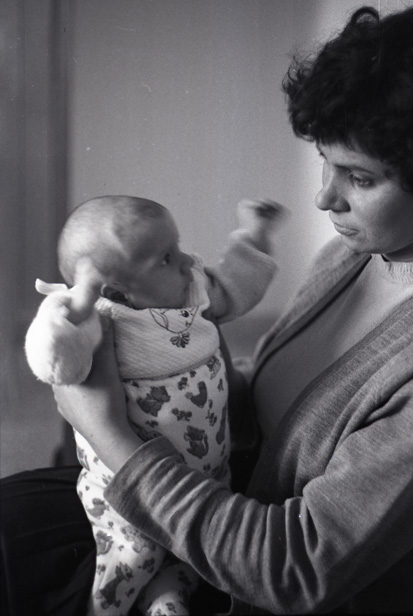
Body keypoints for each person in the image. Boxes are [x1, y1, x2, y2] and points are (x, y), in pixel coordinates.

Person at [52, 5, 413, 614]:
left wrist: (108, 430)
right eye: (326, 160)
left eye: (359, 178)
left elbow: (292, 570)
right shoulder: (353, 254)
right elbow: (282, 402)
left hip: (239, 577)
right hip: (203, 499)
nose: (323, 197)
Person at [25, 195, 282, 616]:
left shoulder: (193, 289)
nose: (187, 261)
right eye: (166, 258)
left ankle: (166, 598)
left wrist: (255, 233)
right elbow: (60, 363)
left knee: (188, 556)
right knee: (137, 554)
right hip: (127, 491)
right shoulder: (100, 318)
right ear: (114, 290)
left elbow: (238, 284)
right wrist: (80, 303)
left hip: (205, 474)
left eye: (176, 247)